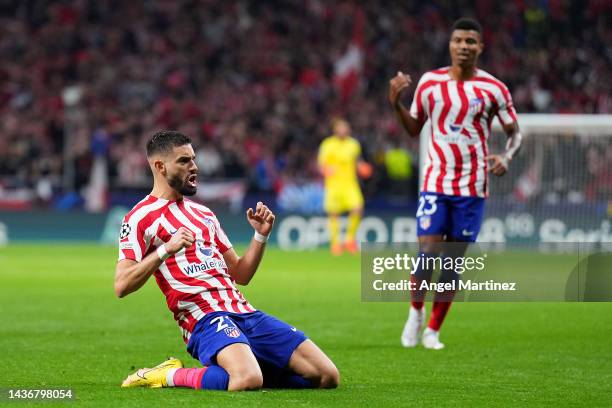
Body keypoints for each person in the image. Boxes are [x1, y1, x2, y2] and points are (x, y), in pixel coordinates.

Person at [116, 131, 339, 390]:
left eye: (193, 159)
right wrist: (166, 249)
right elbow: (122, 285)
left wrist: (260, 236)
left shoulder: (204, 214)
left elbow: (240, 274)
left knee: (326, 376)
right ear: (159, 166)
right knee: (247, 379)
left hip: (245, 313)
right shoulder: (139, 218)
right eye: (184, 161)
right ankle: (169, 375)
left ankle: (244, 365)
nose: (194, 167)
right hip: (204, 318)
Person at [388, 18, 522, 349]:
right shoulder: (431, 83)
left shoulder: (494, 88)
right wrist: (395, 103)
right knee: (430, 253)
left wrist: (507, 156)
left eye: (470, 42)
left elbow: (515, 132)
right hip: (435, 182)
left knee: (452, 262)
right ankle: (416, 312)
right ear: (450, 45)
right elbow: (414, 127)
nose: (464, 46)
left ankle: (433, 329)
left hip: (472, 188)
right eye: (458, 40)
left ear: (480, 47)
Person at [318, 118, 372, 255]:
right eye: (340, 128)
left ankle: (349, 240)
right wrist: (326, 170)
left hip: (350, 184)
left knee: (358, 208)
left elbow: (357, 161)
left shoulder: (353, 144)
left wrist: (362, 167)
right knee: (333, 213)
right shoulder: (327, 144)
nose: (343, 130)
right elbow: (321, 165)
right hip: (333, 184)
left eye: (345, 128)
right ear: (335, 129)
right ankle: (335, 244)